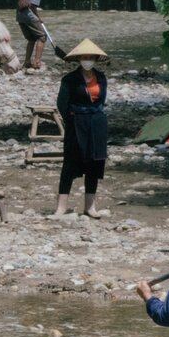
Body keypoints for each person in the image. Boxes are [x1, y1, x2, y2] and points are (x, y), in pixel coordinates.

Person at [54, 39, 109, 219]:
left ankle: (90, 207)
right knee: (70, 164)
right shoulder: (69, 79)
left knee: (95, 164)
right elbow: (62, 104)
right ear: (79, 59)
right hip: (76, 123)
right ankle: (61, 208)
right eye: (84, 57)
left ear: (95, 59)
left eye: (90, 57)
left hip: (97, 123)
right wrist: (71, 119)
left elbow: (101, 101)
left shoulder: (101, 78)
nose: (87, 60)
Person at [11, 0, 47, 70]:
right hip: (29, 15)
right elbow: (33, 6)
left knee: (31, 39)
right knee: (42, 36)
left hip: (19, 14)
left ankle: (27, 62)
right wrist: (38, 19)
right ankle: (37, 62)